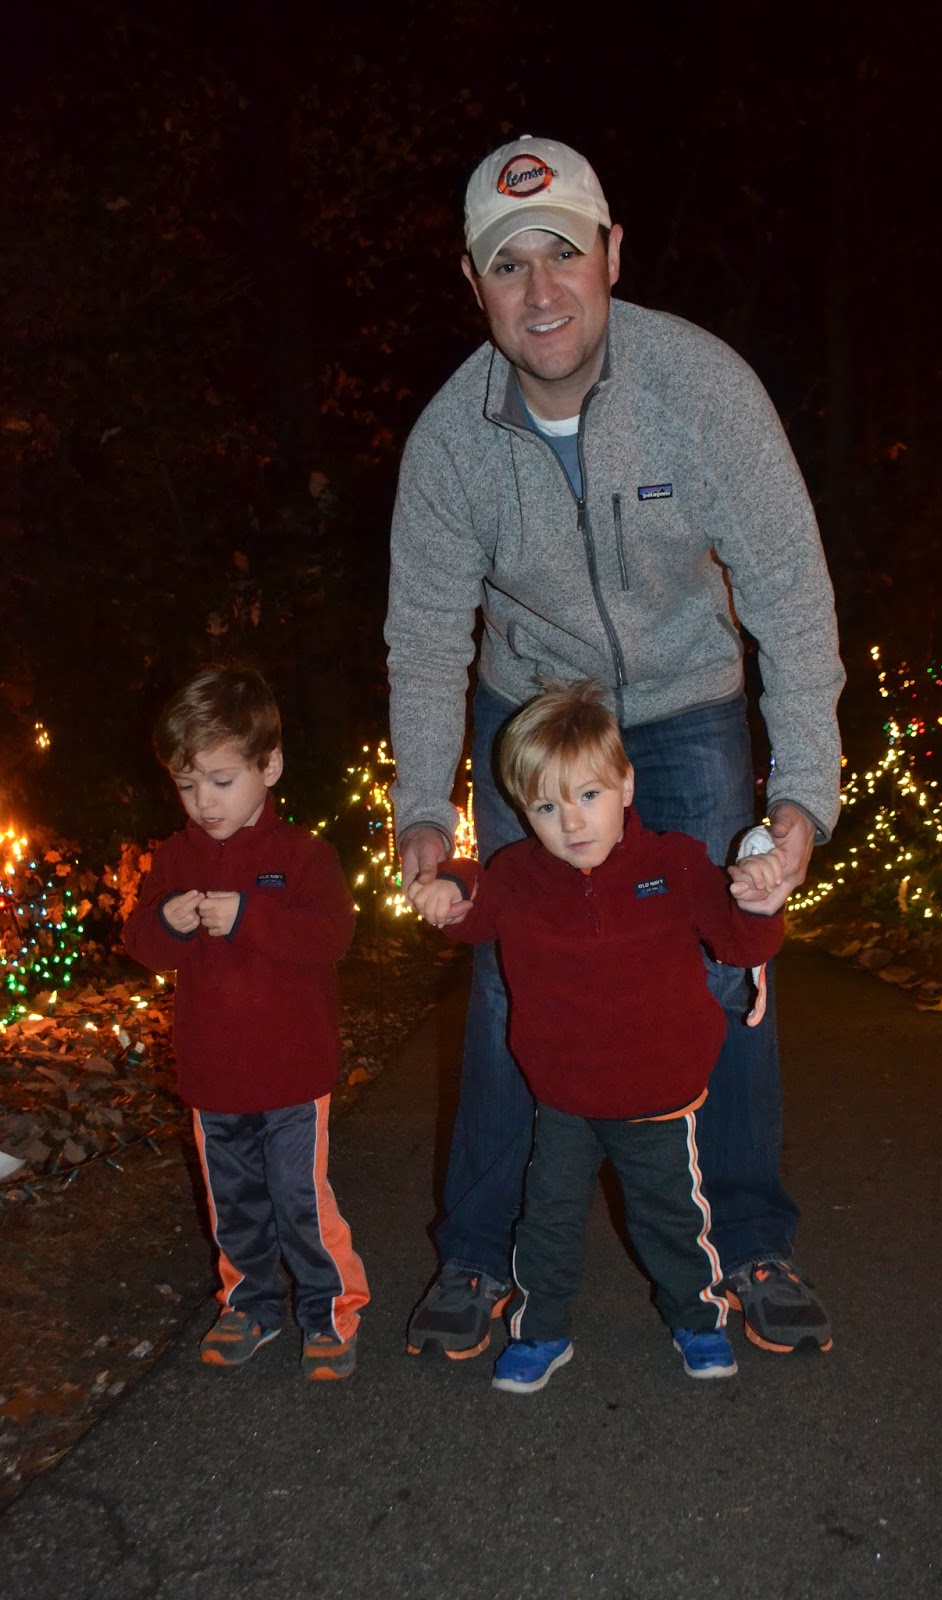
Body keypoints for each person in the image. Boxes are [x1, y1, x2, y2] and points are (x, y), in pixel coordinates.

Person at [385, 134, 844, 1362]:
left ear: (611, 254)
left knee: (726, 961)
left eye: (563, 255)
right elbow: (423, 638)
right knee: (508, 974)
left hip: (689, 701)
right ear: (474, 284)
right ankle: (480, 1254)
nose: (540, 291)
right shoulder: (450, 442)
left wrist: (802, 795)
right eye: (507, 265)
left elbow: (790, 594)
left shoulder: (702, 392)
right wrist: (423, 810)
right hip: (532, 716)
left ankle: (748, 1238)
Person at [409, 682, 787, 1392]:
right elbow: (473, 906)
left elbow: (740, 945)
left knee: (671, 1219)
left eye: (588, 795)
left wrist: (762, 904)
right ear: (523, 811)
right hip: (564, 1099)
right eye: (546, 807)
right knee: (547, 1222)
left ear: (626, 785)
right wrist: (449, 886)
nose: (572, 822)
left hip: (658, 1096)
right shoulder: (519, 876)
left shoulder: (675, 863)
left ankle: (698, 1321)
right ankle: (541, 1331)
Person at [124, 666, 369, 1380]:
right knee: (233, 1205)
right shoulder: (175, 858)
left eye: (221, 781)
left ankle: (331, 1310)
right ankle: (250, 1304)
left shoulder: (303, 857)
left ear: (270, 767)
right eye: (186, 784)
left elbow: (331, 935)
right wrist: (166, 924)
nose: (203, 801)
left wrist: (250, 918)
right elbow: (143, 945)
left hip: (292, 1074)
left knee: (299, 1201)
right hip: (213, 1078)